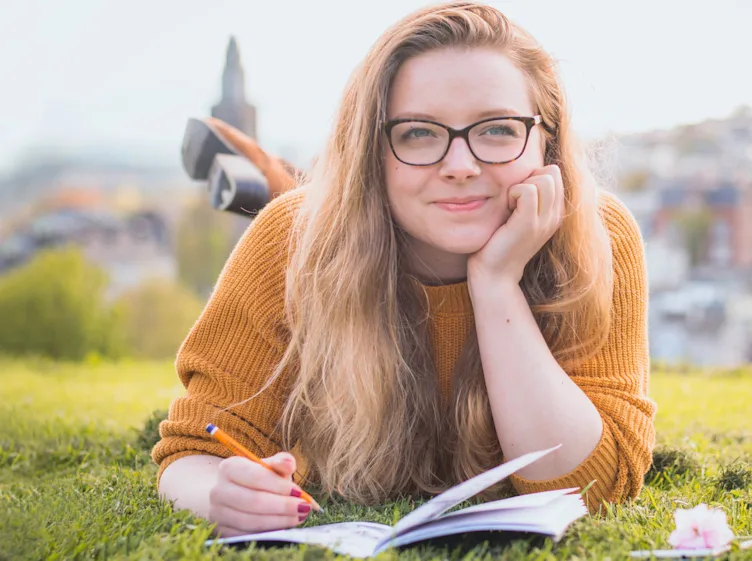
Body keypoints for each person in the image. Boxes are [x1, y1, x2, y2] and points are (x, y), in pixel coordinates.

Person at [154, 0, 657, 538]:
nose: (461, 167)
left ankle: (269, 169)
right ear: (373, 147)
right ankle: (277, 175)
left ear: (548, 141)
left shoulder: (597, 235)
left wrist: (495, 284)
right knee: (317, 220)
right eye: (418, 132)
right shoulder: (290, 239)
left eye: (499, 130)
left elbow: (592, 485)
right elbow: (194, 450)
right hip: (340, 223)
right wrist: (220, 492)